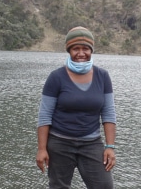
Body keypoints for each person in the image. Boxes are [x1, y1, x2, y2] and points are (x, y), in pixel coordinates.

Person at [36, 26, 117, 189]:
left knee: (104, 186)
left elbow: (108, 114)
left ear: (91, 50)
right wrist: (41, 149)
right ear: (69, 50)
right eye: (76, 48)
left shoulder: (103, 76)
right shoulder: (56, 77)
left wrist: (109, 146)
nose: (81, 53)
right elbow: (45, 116)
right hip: (60, 144)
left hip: (91, 143)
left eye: (85, 48)